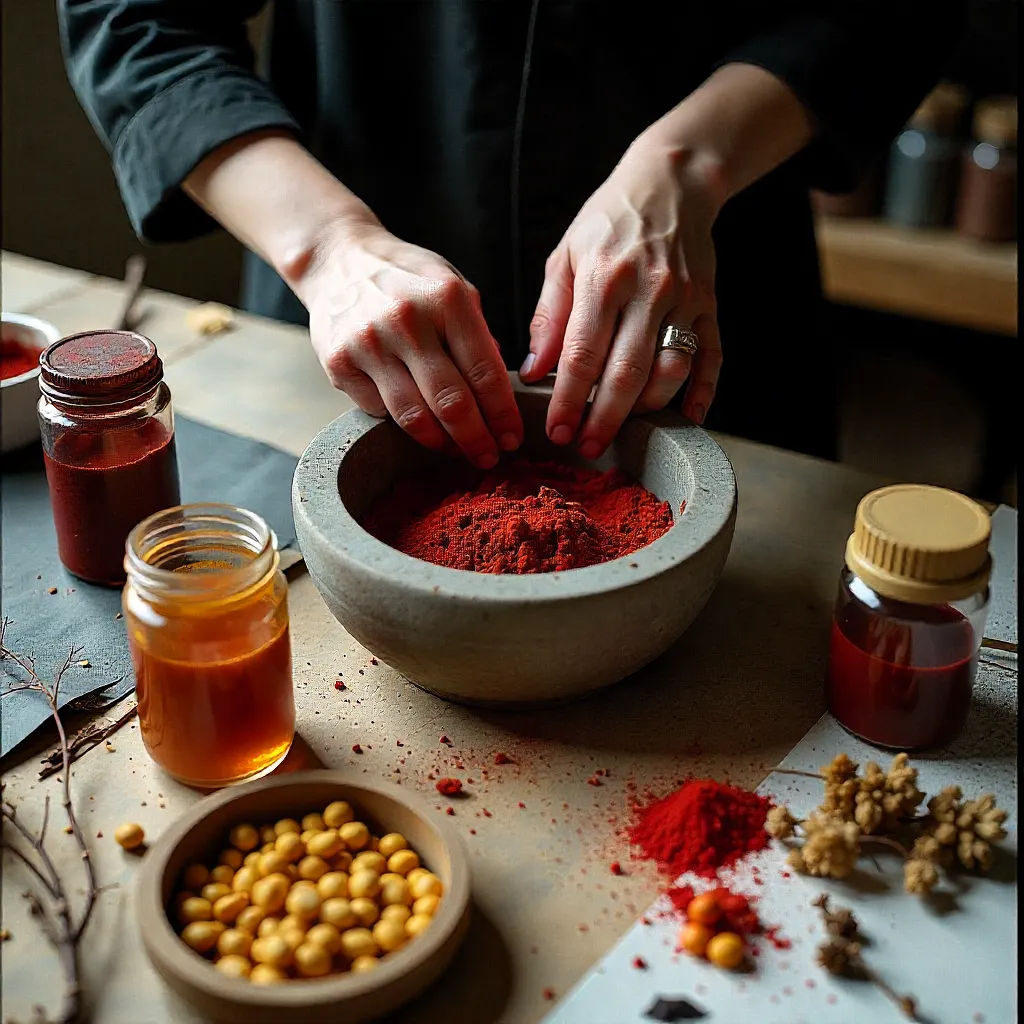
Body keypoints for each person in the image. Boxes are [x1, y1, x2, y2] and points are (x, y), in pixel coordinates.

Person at [59, 2, 964, 467]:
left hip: (704, 271)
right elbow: (135, 15)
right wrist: (329, 248)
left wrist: (688, 165)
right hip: (349, 303)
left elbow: (888, 11)